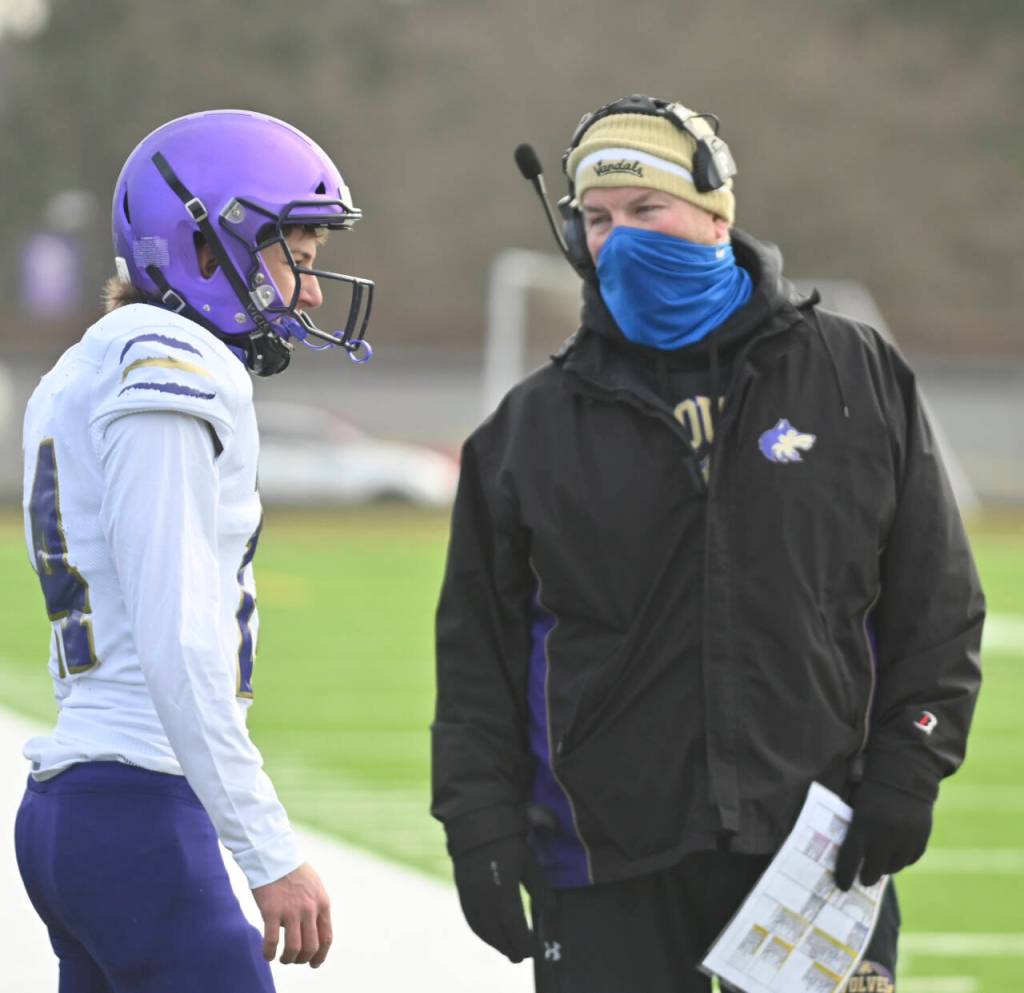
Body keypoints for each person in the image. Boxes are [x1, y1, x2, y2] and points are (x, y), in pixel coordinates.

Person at [431, 94, 984, 993]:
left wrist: (909, 766)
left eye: (647, 210)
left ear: (717, 211)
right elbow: (478, 657)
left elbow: (936, 601)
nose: (620, 238)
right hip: (604, 856)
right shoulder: (526, 430)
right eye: (599, 220)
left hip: (819, 850)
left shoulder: (857, 375)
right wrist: (479, 824)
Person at [16, 109, 374, 992]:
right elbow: (178, 634)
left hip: (82, 804)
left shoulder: (89, 361)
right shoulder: (172, 363)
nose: (314, 290)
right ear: (204, 245)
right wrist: (269, 849)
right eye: (297, 253)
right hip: (137, 807)